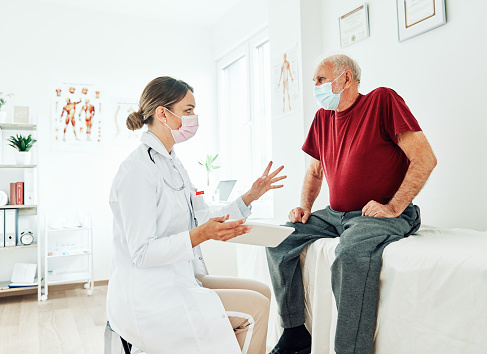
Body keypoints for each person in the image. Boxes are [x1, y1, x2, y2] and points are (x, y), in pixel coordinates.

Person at [266, 54, 437, 354]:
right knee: (278, 240)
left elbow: (425, 158)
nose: (316, 86)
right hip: (335, 215)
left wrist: (394, 207)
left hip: (380, 214)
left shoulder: (382, 101)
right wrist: (305, 205)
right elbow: (315, 171)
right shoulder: (322, 118)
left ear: (345, 78)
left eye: (320, 79)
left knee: (349, 251)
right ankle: (295, 335)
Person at [107, 76, 287, 354]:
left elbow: (201, 217)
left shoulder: (173, 163)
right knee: (257, 309)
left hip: (178, 275)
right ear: (163, 114)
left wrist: (249, 197)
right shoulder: (138, 171)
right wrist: (200, 235)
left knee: (261, 291)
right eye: (188, 110)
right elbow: (141, 252)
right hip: (150, 294)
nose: (194, 118)